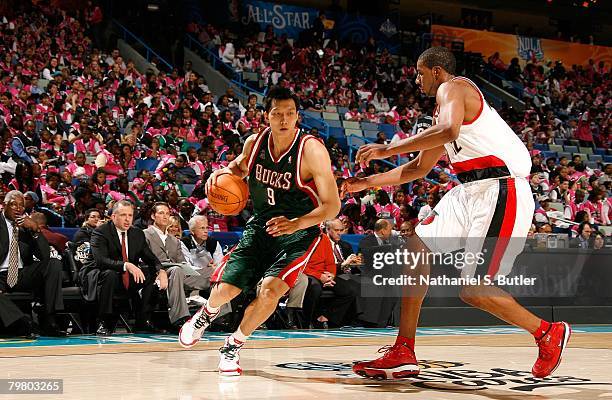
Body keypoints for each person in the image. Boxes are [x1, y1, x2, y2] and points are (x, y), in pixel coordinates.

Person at [342, 47, 569, 379]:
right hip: (468, 190)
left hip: (500, 187)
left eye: (420, 73)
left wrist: (388, 148)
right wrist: (368, 182)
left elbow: (448, 132)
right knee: (417, 245)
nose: (416, 79)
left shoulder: (455, 88)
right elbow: (418, 168)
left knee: (474, 289)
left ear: (436, 71)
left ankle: (548, 333)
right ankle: (404, 349)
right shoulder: (441, 114)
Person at [179, 86, 341, 376]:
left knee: (270, 292)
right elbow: (238, 169)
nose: (284, 119)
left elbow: (332, 207)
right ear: (267, 115)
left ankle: (233, 344)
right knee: (226, 289)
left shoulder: (311, 150)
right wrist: (221, 177)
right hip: (261, 225)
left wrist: (297, 223)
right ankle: (206, 315)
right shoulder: (254, 143)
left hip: (299, 234)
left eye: (290, 114)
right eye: (277, 113)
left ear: (297, 116)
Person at [89, 200, 168, 335]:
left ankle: (143, 320)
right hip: (101, 273)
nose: (127, 219)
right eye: (123, 215)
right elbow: (101, 260)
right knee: (110, 274)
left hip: (126, 276)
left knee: (151, 273)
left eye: (130, 215)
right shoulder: (101, 232)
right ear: (113, 217)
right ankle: (104, 322)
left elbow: (150, 257)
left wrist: (161, 271)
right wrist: (126, 265)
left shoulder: (137, 233)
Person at [0, 191, 65, 337]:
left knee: (53, 264)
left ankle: (50, 318)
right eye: (13, 204)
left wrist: (36, 230)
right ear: (4, 205)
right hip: (1, 275)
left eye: (21, 205)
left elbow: (44, 256)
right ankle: (24, 323)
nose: (17, 208)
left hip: (21, 274)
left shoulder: (27, 226)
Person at [143, 202, 209, 331]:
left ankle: (221, 316)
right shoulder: (145, 234)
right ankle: (180, 318)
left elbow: (182, 261)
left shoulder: (174, 240)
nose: (165, 216)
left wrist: (193, 269)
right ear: (153, 216)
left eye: (167, 213)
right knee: (176, 270)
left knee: (214, 272)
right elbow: (143, 258)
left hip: (177, 273)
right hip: (156, 273)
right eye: (161, 213)